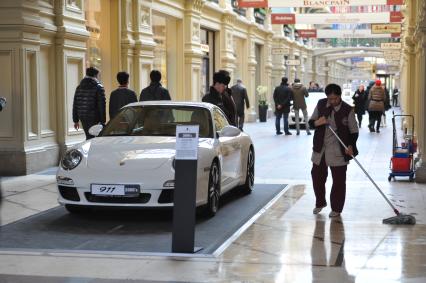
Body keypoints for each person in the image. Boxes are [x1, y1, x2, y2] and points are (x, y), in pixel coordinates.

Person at [308, 83, 359, 217]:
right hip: (320, 148)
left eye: (335, 99)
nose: (332, 102)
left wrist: (351, 146)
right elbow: (311, 122)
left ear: (340, 96)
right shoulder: (321, 104)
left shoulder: (348, 110)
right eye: (330, 99)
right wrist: (317, 122)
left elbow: (354, 131)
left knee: (338, 181)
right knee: (316, 176)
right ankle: (320, 202)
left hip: (339, 149)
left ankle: (336, 208)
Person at [72, 66, 106, 140]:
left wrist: (76, 120)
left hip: (83, 117)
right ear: (96, 75)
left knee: (89, 136)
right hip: (95, 118)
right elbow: (102, 105)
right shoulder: (99, 87)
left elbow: (75, 104)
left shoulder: (79, 87)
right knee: (95, 138)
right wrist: (103, 121)